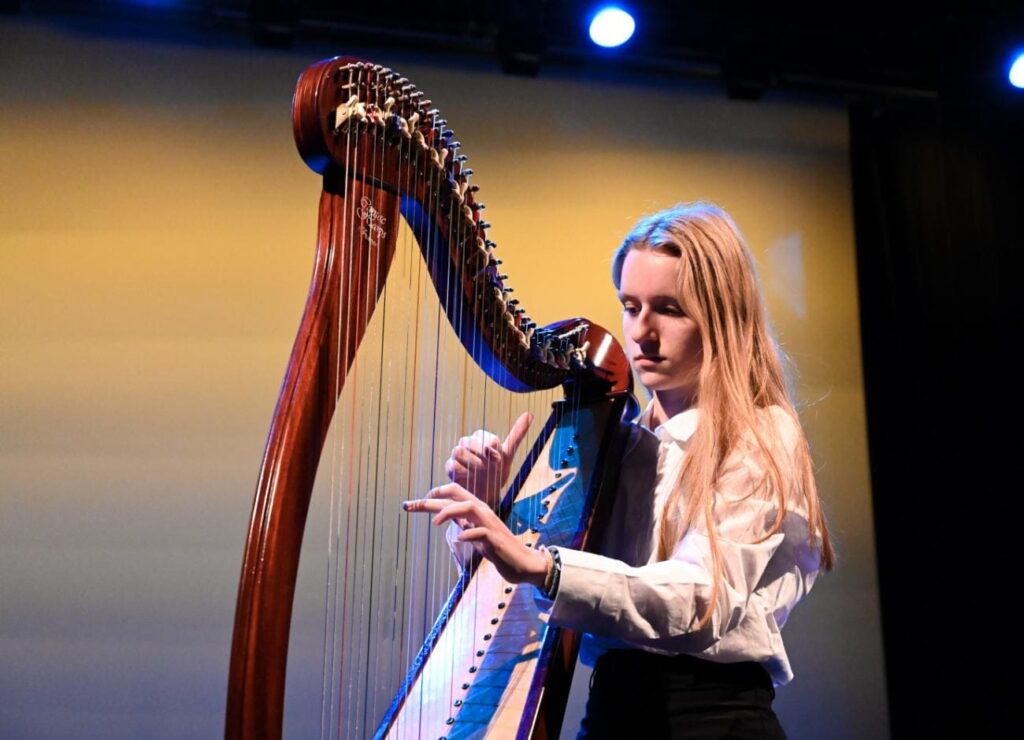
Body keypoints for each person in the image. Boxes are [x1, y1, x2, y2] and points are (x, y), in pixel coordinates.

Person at [403, 202, 834, 739]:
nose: (642, 332)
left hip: (711, 720)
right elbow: (517, 599)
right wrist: (490, 509)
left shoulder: (761, 435)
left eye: (669, 309)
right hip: (611, 712)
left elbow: (701, 601)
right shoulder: (614, 443)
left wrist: (544, 568)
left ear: (721, 318)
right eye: (630, 307)